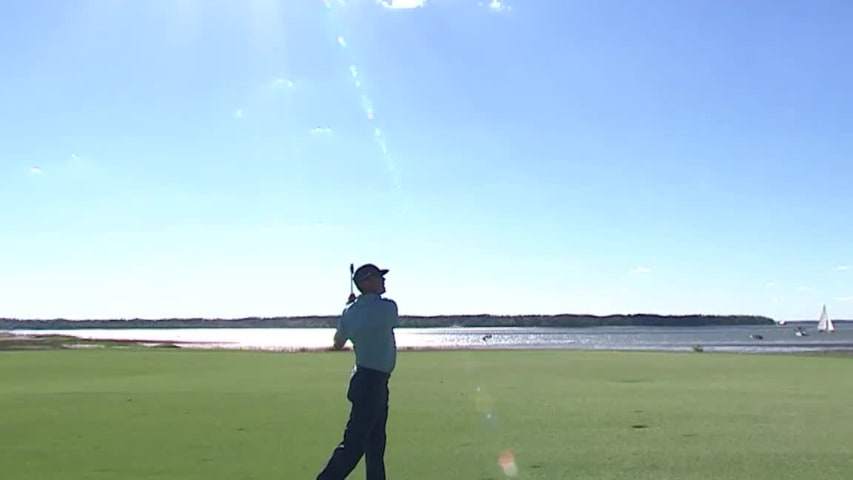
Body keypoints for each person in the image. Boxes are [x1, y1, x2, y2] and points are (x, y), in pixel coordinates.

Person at [316, 263, 399, 480]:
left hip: (367, 380)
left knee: (375, 444)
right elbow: (388, 321)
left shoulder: (349, 312)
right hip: (372, 383)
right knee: (354, 446)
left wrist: (350, 307)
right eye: (379, 277)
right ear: (366, 282)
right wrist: (355, 307)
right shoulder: (388, 307)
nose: (384, 281)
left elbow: (338, 342)